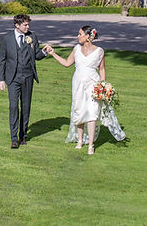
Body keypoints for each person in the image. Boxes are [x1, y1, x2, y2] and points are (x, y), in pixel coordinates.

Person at [44, 26, 125, 154]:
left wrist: (103, 86)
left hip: (93, 84)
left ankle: (91, 145)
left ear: (88, 36)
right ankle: (80, 140)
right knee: (79, 110)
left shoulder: (99, 51)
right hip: (78, 84)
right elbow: (66, 63)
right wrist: (52, 53)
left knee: (92, 112)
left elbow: (102, 69)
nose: (78, 36)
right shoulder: (76, 49)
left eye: (80, 34)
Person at [0, 14, 49, 149]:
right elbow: (1, 60)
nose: (28, 27)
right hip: (13, 78)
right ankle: (14, 138)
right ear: (17, 25)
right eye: (25, 25)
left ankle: (23, 135)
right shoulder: (7, 39)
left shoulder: (32, 37)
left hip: (28, 76)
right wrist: (1, 79)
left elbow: (36, 55)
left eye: (28, 24)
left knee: (26, 107)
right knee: (14, 107)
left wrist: (44, 52)